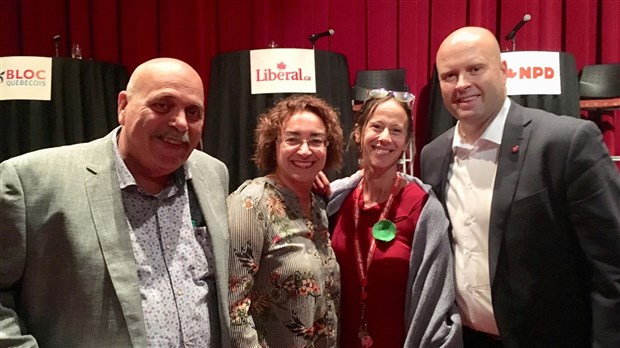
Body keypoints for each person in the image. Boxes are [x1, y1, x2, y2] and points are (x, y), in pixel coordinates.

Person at [0, 58, 231, 347]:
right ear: (123, 106)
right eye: (163, 105)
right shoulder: (31, 181)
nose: (181, 122)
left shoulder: (213, 173)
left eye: (193, 111)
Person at [420, 26, 620, 347]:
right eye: (449, 75)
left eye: (475, 69)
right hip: (465, 340)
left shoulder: (566, 142)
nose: (462, 84)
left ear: (503, 71)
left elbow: (612, 265)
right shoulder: (433, 155)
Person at [319, 88, 461, 347]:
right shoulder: (334, 201)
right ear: (359, 133)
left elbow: (437, 300)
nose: (384, 137)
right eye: (377, 127)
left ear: (406, 142)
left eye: (396, 131)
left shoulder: (424, 208)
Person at [227, 94, 343, 347]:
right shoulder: (251, 203)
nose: (305, 150)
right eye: (292, 139)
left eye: (316, 140)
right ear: (273, 144)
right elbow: (233, 307)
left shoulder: (318, 206)